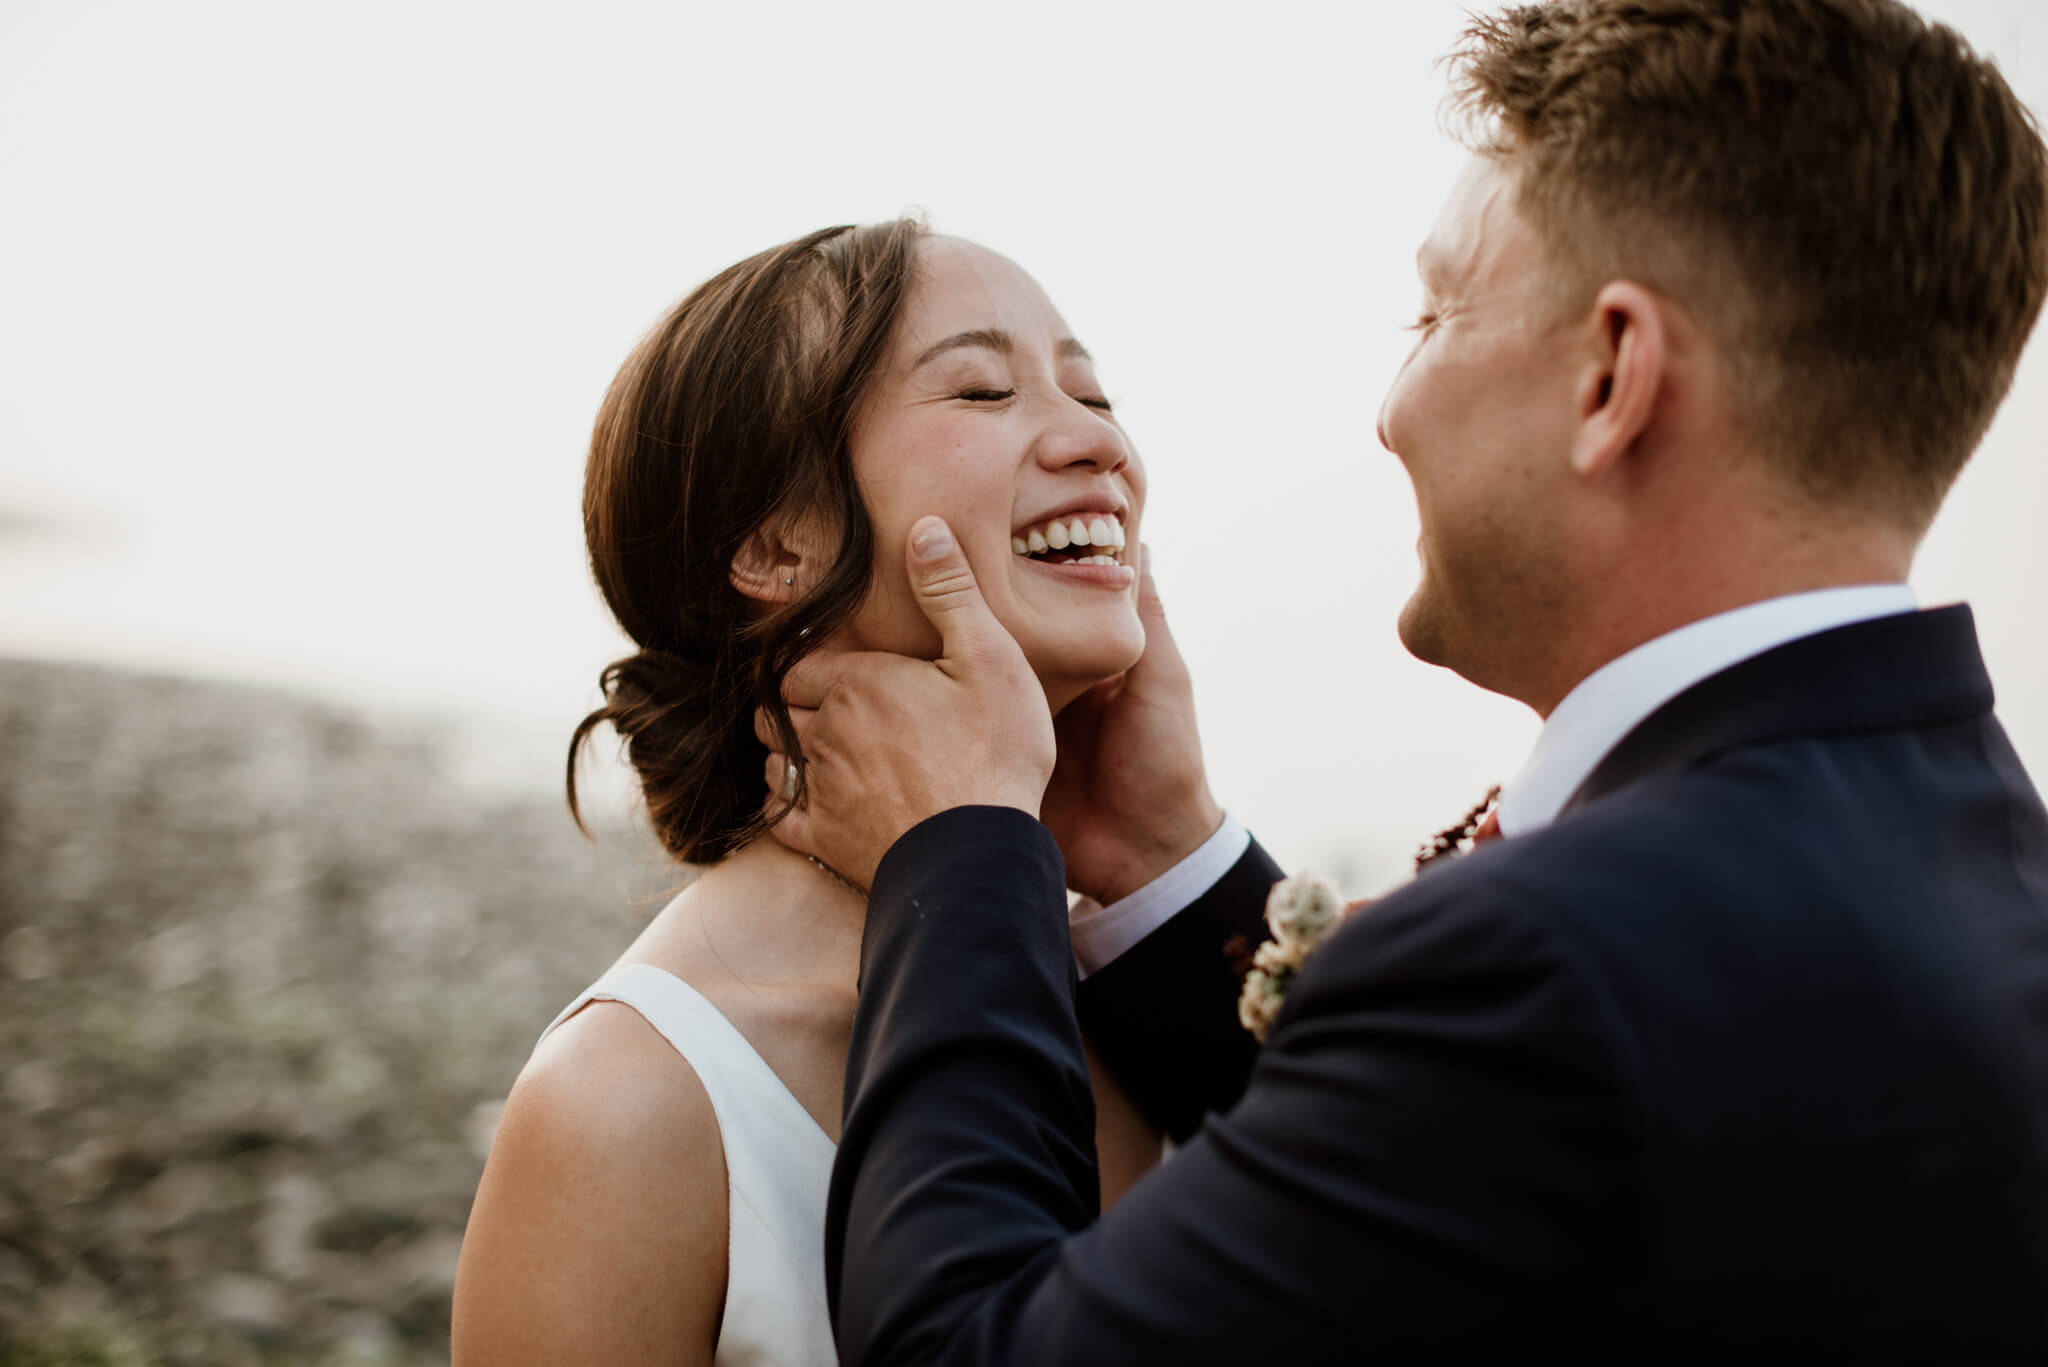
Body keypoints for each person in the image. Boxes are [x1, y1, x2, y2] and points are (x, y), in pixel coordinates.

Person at [771, 1, 2048, 1361]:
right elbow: (1451, 1218)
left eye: (1435, 310)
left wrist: (956, 852)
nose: (1390, 411)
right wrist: (1167, 861)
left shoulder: (1551, 964)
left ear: (1613, 373)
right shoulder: (1986, 868)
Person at [449, 220, 1186, 1365]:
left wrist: (1171, 849)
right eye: (983, 390)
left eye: (1090, 390)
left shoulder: (1154, 985)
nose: (1095, 436)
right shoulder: (629, 1102)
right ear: (774, 543)